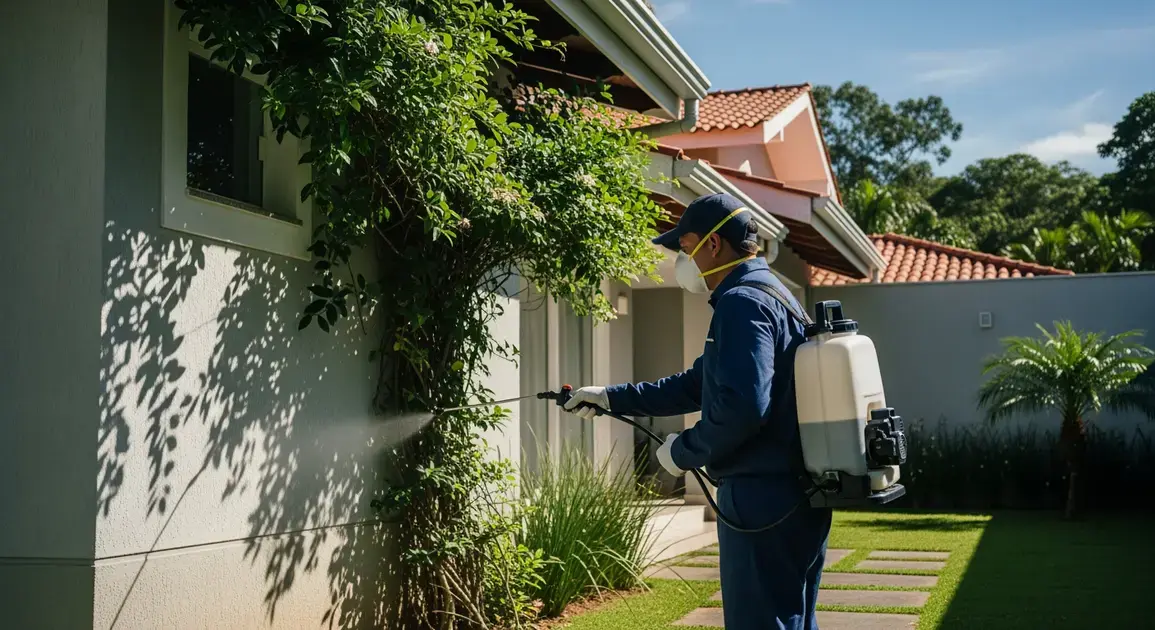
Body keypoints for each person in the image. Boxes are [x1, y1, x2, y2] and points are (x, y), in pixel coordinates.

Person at [564, 192, 832, 630]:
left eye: (686, 247)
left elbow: (743, 407)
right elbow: (698, 385)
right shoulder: (775, 294)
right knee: (793, 619)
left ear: (713, 245)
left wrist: (685, 451)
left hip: (760, 498)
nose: (682, 259)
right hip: (796, 493)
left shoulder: (742, 302)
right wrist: (611, 397)